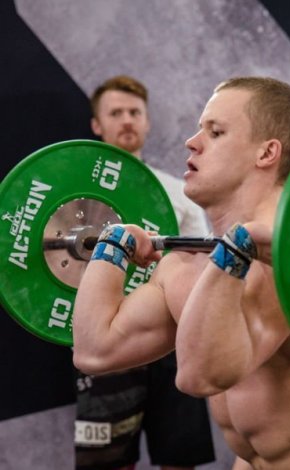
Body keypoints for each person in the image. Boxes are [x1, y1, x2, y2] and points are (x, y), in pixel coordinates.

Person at [72, 76, 290, 469]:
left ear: (267, 152)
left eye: (215, 132)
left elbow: (202, 376)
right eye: (200, 129)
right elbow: (95, 349)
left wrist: (233, 252)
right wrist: (112, 244)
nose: (192, 141)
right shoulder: (185, 264)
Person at [74, 75, 215, 470]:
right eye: (115, 113)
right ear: (97, 125)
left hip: (170, 343)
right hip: (109, 342)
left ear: (147, 122)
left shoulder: (178, 191)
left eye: (135, 112)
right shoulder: (72, 197)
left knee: (179, 459)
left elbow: (200, 269)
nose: (127, 120)